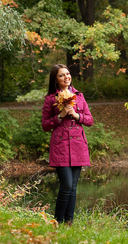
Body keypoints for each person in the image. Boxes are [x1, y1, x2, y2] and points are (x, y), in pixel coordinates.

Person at [42, 64, 93, 225]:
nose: (66, 77)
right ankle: (57, 222)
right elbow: (45, 125)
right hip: (60, 146)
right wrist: (61, 115)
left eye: (68, 74)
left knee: (73, 187)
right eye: (61, 75)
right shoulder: (50, 99)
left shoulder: (79, 95)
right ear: (55, 80)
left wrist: (76, 115)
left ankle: (68, 223)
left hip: (78, 145)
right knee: (66, 185)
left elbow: (90, 120)